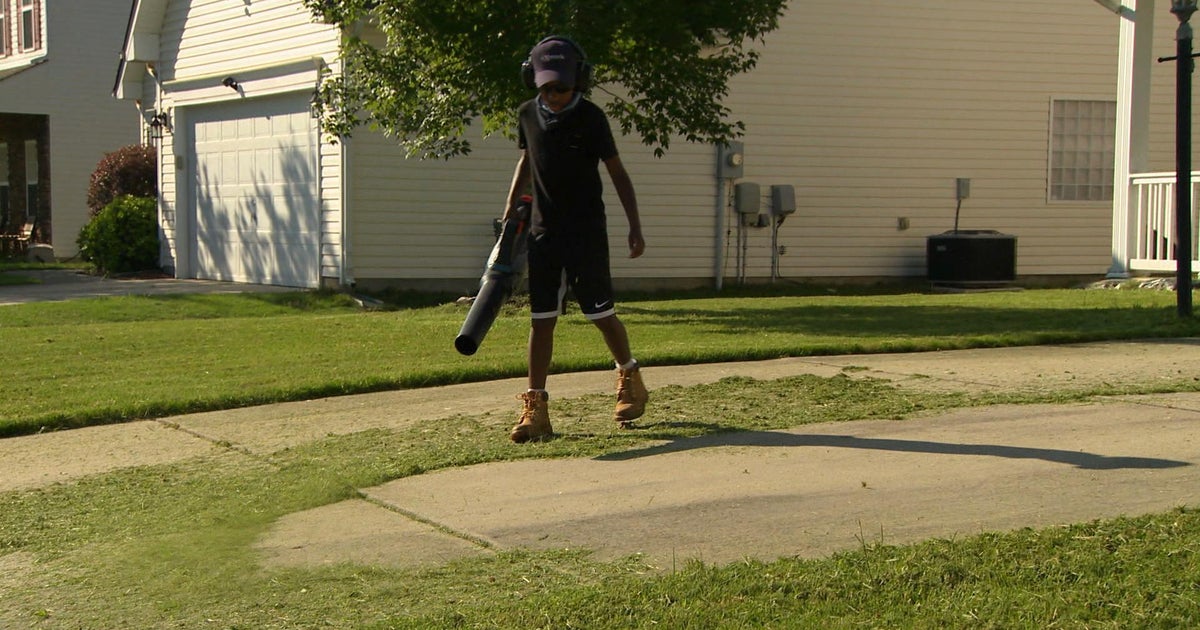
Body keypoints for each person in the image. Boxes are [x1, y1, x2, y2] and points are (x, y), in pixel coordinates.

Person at [503, 36, 649, 443]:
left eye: (561, 88)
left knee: (600, 313)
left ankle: (630, 378)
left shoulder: (591, 118)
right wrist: (510, 206)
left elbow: (617, 173)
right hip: (543, 234)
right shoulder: (527, 115)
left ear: (578, 81)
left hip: (586, 233)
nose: (553, 96)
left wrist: (634, 226)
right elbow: (527, 161)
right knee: (541, 320)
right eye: (546, 88)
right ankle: (536, 409)